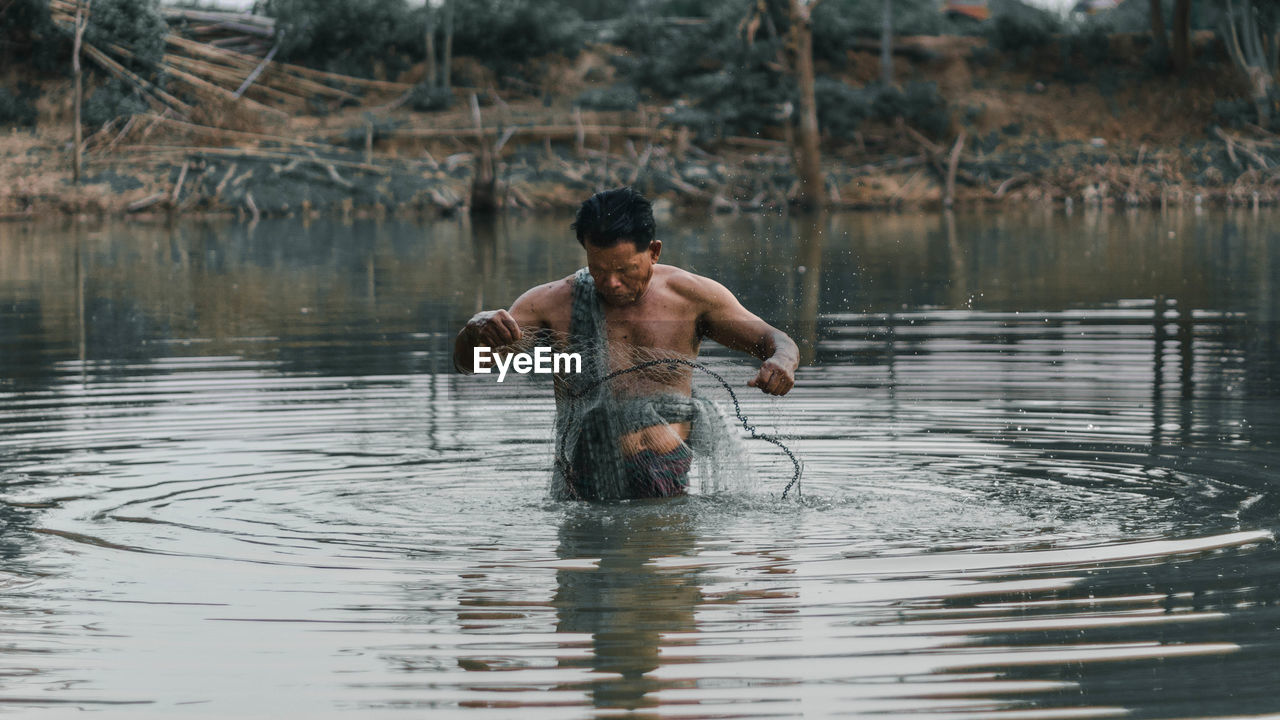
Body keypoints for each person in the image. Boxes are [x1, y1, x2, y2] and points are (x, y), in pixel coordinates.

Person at [453, 187, 798, 500]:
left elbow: (775, 339)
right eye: (599, 270)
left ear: (654, 252)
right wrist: (474, 331)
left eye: (625, 269)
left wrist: (782, 361)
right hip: (585, 478)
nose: (612, 283)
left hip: (666, 475)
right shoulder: (550, 303)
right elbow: (474, 364)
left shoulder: (692, 296)